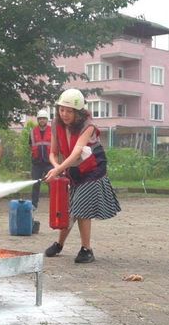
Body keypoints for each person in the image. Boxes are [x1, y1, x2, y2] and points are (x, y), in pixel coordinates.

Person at [43, 89, 121, 263]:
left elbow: (77, 151)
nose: (64, 114)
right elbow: (53, 153)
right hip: (73, 168)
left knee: (80, 205)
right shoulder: (56, 124)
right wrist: (57, 168)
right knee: (69, 208)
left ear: (78, 112)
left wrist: (57, 171)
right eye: (62, 109)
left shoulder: (88, 126)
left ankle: (87, 250)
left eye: (69, 111)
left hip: (93, 168)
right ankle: (59, 245)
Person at [29, 109, 52, 210]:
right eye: (40, 119)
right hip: (37, 163)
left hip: (49, 163)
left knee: (52, 183)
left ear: (47, 120)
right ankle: (34, 205)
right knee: (35, 184)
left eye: (44, 118)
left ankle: (54, 203)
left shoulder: (53, 131)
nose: (42, 120)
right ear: (38, 120)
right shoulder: (33, 132)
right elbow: (30, 145)